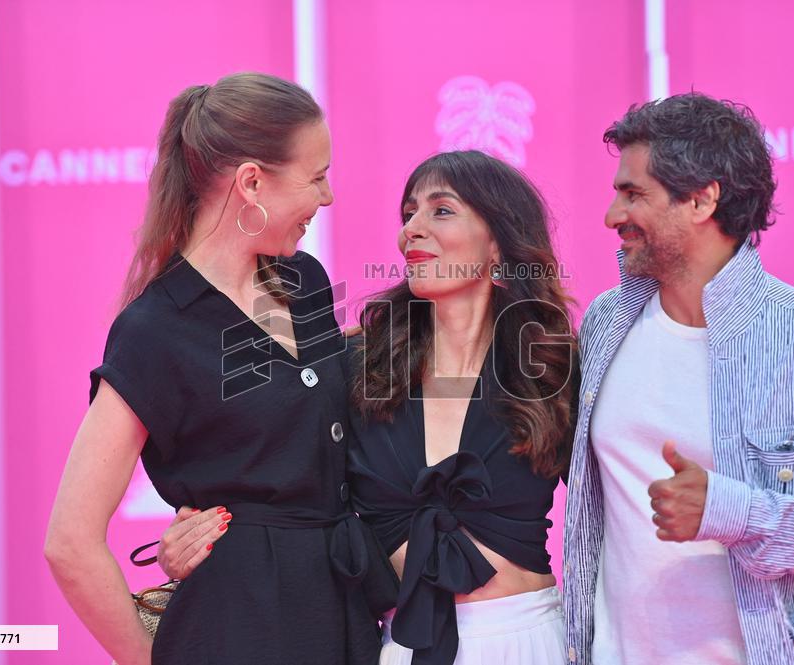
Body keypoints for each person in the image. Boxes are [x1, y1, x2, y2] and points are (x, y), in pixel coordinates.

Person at [158, 150, 581, 665]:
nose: (412, 230)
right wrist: (200, 535)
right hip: (397, 644)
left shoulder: (552, 365)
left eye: (440, 210)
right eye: (408, 215)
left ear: (498, 242)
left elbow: (611, 509)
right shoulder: (357, 364)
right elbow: (277, 483)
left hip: (527, 640)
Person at [44, 72, 391, 665]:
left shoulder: (303, 282)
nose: (328, 198)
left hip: (341, 612)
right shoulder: (157, 329)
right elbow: (70, 542)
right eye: (317, 177)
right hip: (237, 626)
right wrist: (151, 658)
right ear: (253, 182)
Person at [562, 93, 794, 665]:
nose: (612, 216)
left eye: (633, 193)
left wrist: (730, 510)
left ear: (700, 199)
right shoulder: (606, 321)